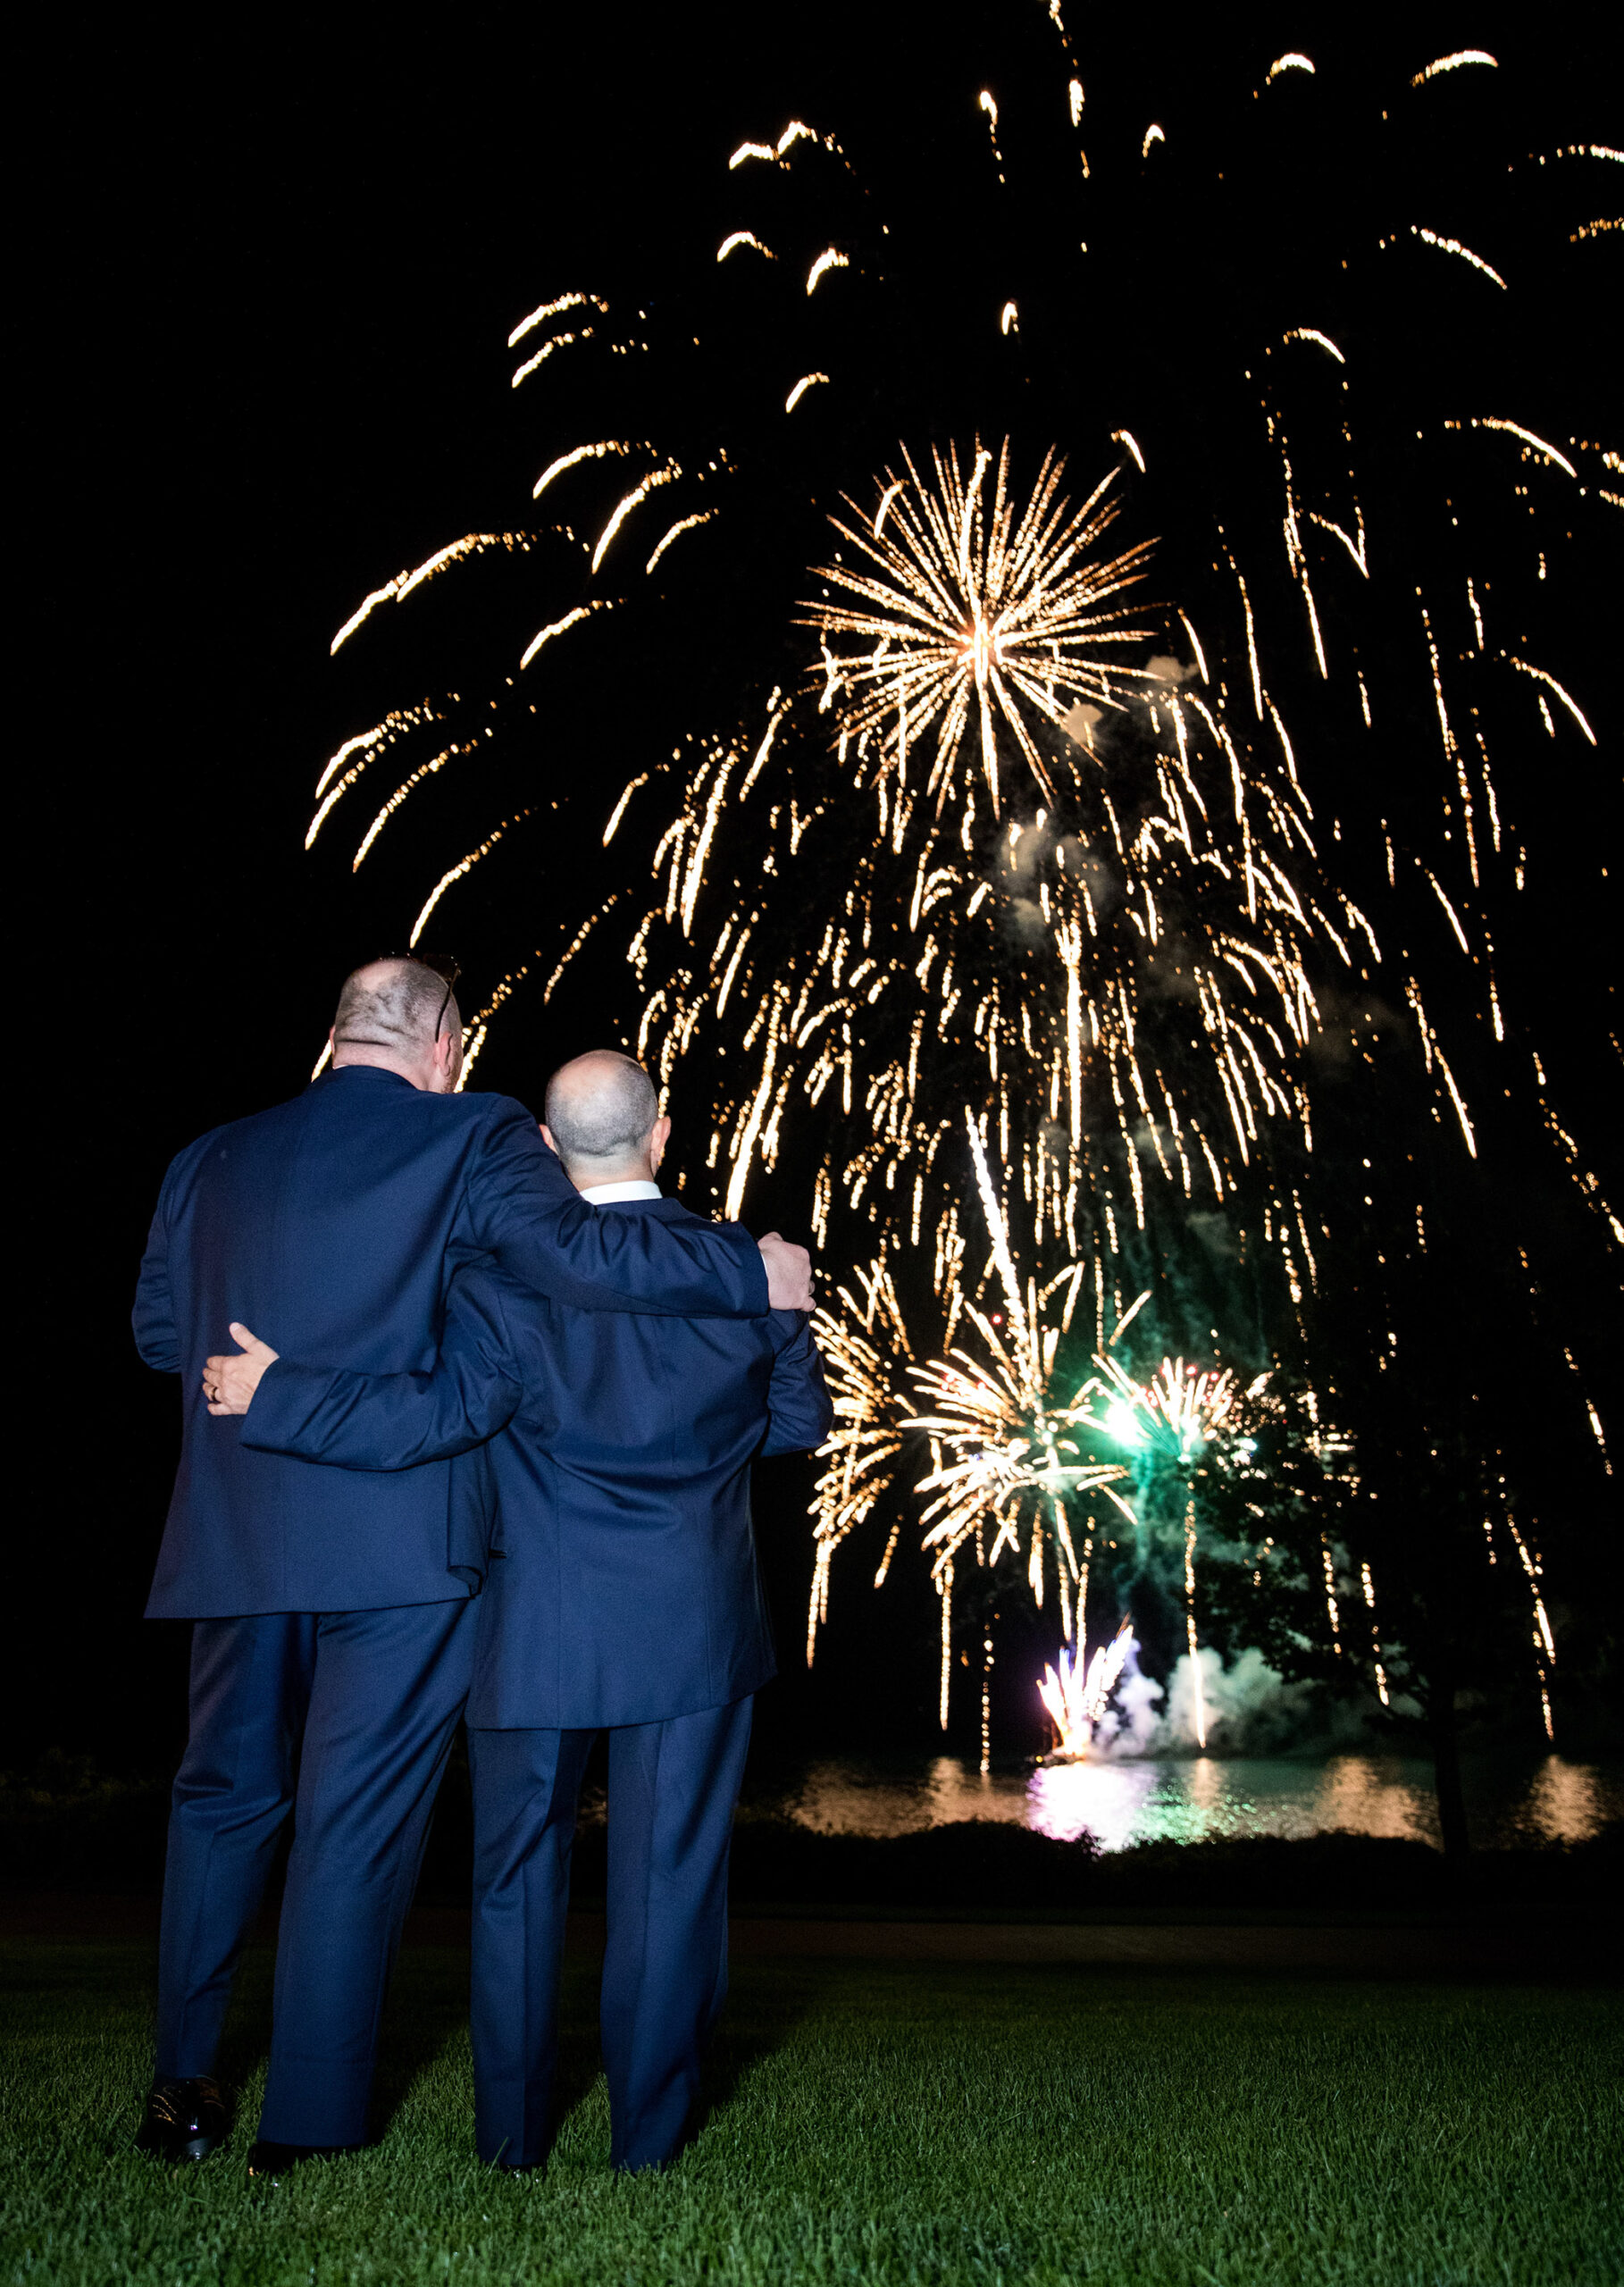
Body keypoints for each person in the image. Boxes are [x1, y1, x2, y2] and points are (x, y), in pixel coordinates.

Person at [134, 961, 811, 2174]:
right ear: (445, 1042)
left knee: (218, 1804)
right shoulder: (473, 1134)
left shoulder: (206, 1157)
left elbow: (158, 1334)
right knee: (349, 1827)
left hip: (239, 1530)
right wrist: (753, 1280)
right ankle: (307, 2124)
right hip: (397, 1539)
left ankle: (181, 2090)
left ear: (330, 1032)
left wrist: (277, 1372)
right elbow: (585, 1265)